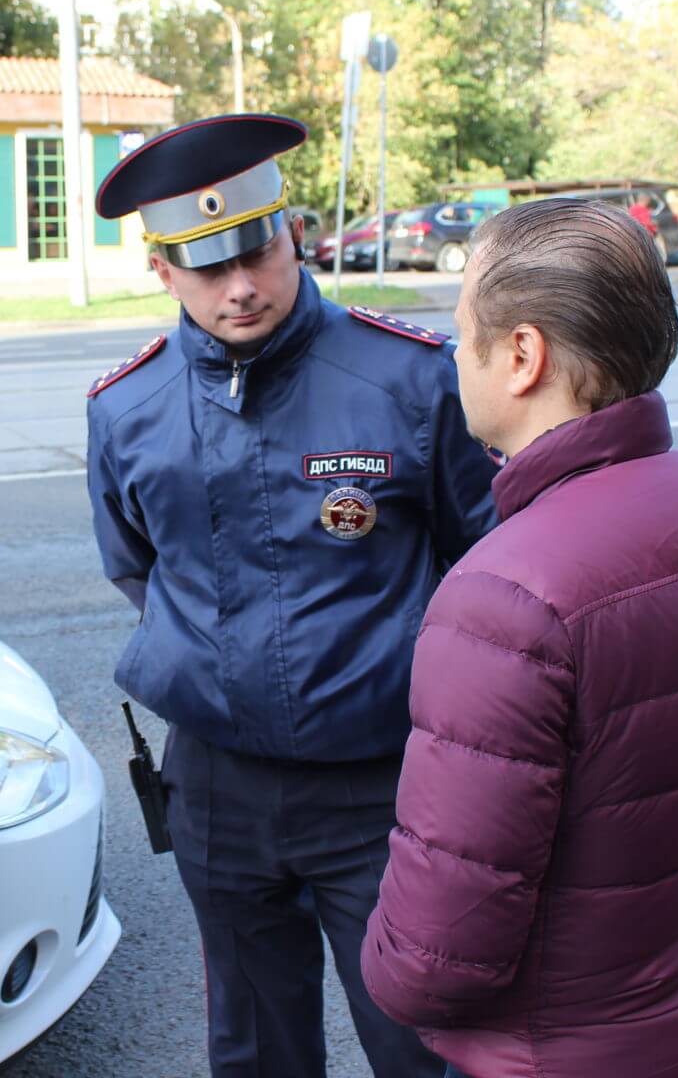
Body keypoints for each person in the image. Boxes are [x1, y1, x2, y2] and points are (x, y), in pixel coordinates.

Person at [86, 114, 499, 1078]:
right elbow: (138, 567)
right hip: (217, 791)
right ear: (161, 270)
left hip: (381, 788)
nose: (239, 287)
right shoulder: (125, 408)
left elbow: (480, 564)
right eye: (203, 267)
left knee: (418, 1044)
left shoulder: (408, 377)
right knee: (256, 1049)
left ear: (294, 234)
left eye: (256, 252)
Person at [360, 198, 678, 1078]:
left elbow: (434, 960)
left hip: (554, 1053)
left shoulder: (504, 595)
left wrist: (382, 968)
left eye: (461, 335)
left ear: (522, 356)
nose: (452, 362)